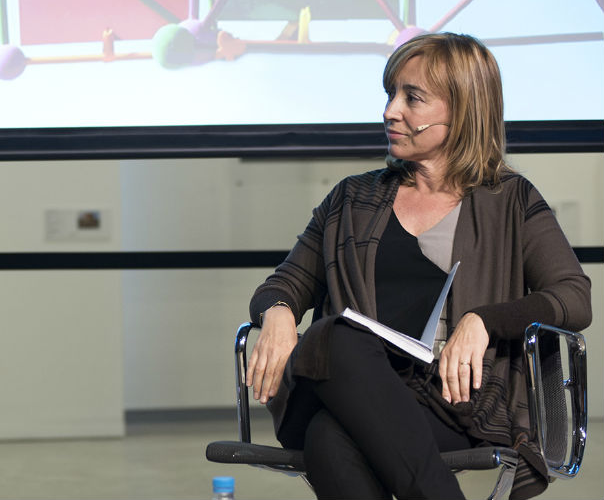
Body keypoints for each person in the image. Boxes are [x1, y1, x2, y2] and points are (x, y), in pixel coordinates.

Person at [245, 32, 591, 500]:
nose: (391, 110)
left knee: (328, 438)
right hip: (339, 384)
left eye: (413, 98)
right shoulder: (351, 199)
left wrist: (483, 321)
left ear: (462, 109)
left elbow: (573, 296)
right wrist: (279, 312)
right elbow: (285, 283)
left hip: (451, 405)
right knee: (337, 339)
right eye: (391, 94)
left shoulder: (510, 200)